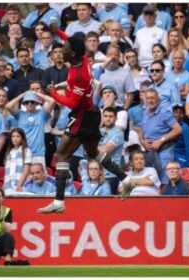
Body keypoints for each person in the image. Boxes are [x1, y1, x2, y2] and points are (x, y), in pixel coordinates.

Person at [37, 32, 131, 213]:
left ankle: (58, 201)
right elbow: (73, 41)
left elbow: (72, 102)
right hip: (91, 113)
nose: (61, 51)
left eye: (64, 49)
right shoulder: (82, 59)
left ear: (71, 54)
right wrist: (58, 31)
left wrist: (53, 94)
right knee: (93, 152)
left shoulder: (79, 75)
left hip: (82, 116)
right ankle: (126, 179)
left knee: (61, 154)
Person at [135, 88, 182, 185]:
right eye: (148, 98)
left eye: (153, 98)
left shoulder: (165, 113)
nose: (150, 100)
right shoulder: (144, 113)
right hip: (149, 151)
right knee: (150, 179)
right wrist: (142, 140)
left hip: (164, 149)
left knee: (165, 178)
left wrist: (161, 140)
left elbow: (178, 130)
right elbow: (141, 130)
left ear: (158, 100)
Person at [6, 90, 54, 168]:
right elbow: (8, 106)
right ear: (24, 104)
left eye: (32, 102)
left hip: (38, 153)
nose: (29, 104)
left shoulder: (42, 114)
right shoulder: (20, 114)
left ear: (36, 103)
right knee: (23, 177)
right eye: (27, 102)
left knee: (38, 178)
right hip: (22, 151)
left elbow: (52, 101)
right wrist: (22, 95)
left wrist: (37, 94)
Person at [99, 44, 136, 110]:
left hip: (118, 109)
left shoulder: (125, 74)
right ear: (106, 56)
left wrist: (124, 110)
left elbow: (130, 94)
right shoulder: (100, 72)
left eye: (116, 55)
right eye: (110, 54)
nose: (113, 57)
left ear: (119, 57)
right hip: (102, 109)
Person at [98, 107, 125, 194]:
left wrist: (92, 147)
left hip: (111, 175)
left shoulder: (118, 133)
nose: (107, 119)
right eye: (105, 116)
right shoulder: (98, 131)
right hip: (97, 174)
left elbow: (105, 150)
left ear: (116, 118)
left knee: (108, 205)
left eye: (110, 116)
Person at [3, 128, 32, 194]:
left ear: (22, 138)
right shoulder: (9, 152)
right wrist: (4, 186)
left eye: (18, 136)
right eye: (13, 136)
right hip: (9, 183)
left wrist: (20, 185)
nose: (15, 139)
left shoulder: (26, 151)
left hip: (20, 183)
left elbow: (26, 170)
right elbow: (6, 171)